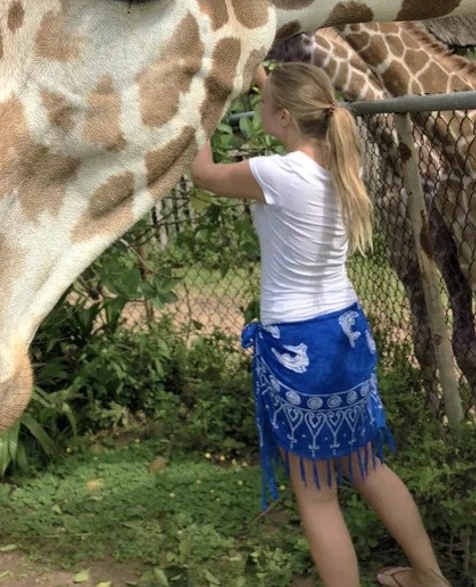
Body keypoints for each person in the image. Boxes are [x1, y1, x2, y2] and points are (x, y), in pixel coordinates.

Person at [190, 62, 449, 587]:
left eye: (267, 105)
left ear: (283, 116)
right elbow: (297, 107)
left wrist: (200, 101)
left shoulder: (274, 174)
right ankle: (430, 576)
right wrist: (267, 77)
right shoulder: (339, 160)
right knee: (367, 466)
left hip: (297, 347)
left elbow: (203, 174)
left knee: (316, 492)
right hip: (345, 333)